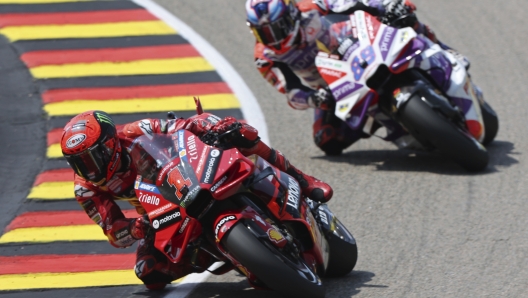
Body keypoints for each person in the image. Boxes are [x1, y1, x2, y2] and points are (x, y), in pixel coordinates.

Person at [60, 109, 332, 290]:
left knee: (238, 133)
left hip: (188, 175)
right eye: (78, 163)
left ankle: (303, 180)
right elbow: (113, 233)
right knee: (149, 273)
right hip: (159, 214)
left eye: (91, 158)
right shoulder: (86, 189)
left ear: (110, 144)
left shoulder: (135, 131)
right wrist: (135, 228)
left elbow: (179, 126)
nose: (87, 169)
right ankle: (224, 253)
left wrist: (205, 125)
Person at [245, 0, 470, 155]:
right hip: (332, 86)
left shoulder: (311, 7)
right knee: (327, 140)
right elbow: (291, 91)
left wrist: (388, 5)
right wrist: (315, 99)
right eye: (262, 32)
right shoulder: (265, 57)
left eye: (276, 28)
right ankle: (395, 124)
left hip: (359, 45)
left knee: (403, 15)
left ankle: (445, 49)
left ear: (291, 14)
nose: (272, 38)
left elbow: (354, 2)